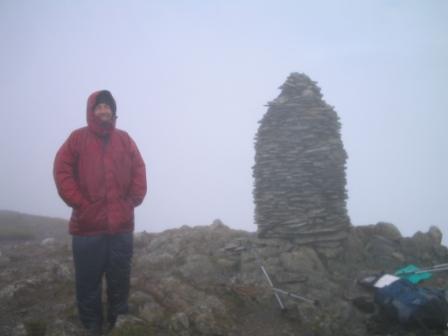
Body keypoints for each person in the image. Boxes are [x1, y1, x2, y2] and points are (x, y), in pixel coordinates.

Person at [53, 90, 147, 335]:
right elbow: (62, 171)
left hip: (121, 227)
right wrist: (81, 204)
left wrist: (131, 202)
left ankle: (118, 322)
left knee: (119, 279)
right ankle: (92, 326)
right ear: (91, 111)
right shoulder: (77, 139)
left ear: (113, 111)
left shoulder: (125, 139)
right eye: (99, 107)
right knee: (88, 283)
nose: (104, 110)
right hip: (87, 228)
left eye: (108, 106)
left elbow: (139, 169)